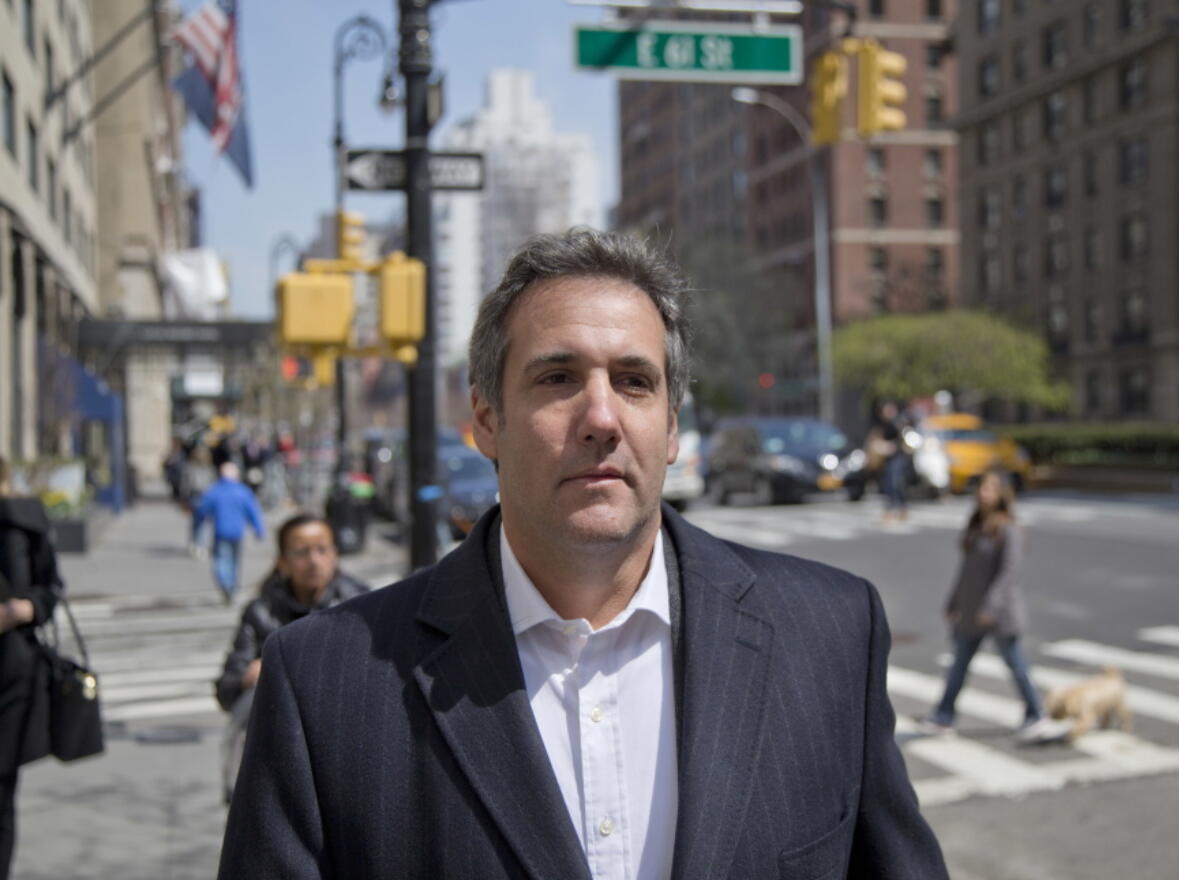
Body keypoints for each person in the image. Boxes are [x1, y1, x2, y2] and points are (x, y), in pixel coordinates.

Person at [219, 229, 948, 878]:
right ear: (487, 420)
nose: (601, 417)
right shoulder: (323, 684)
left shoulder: (830, 635)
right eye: (558, 377)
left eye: (634, 381)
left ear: (669, 424)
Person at [215, 513, 368, 803]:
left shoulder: (359, 605)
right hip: (278, 751)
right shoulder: (262, 611)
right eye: (301, 551)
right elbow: (226, 690)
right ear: (283, 560)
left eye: (322, 549)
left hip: (345, 749)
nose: (314, 561)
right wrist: (250, 675)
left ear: (335, 553)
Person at [920, 470, 1049, 739]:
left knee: (1016, 665)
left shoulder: (1008, 529)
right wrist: (953, 600)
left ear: (1002, 494)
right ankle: (944, 715)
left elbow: (1009, 573)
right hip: (970, 611)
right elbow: (966, 571)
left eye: (990, 488)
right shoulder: (976, 525)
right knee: (959, 665)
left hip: (999, 614)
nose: (983, 493)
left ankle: (1035, 712)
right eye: (981, 488)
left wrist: (991, 607)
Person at [0, 457, 64, 879]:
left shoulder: (22, 522)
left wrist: (23, 609)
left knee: (0, 792)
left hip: (10, 674)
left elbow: (51, 589)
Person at [192, 461, 265, 605]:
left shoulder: (215, 491)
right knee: (234, 561)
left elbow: (201, 510)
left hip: (221, 531)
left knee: (221, 560)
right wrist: (259, 530)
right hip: (237, 532)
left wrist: (197, 528)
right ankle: (231, 587)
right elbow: (253, 512)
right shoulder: (243, 491)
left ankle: (226, 585)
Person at [874, 400, 912, 522]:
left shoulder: (899, 423)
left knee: (896, 484)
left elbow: (904, 441)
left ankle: (897, 510)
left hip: (898, 458)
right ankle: (895, 510)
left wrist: (891, 446)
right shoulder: (882, 424)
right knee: (889, 484)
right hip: (886, 459)